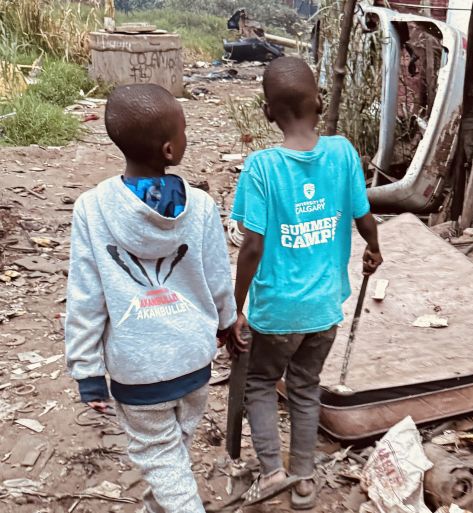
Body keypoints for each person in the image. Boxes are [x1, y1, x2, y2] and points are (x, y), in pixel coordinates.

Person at [65, 84, 236, 513]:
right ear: (168, 149)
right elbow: (218, 278)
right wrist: (227, 324)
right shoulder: (199, 206)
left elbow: (86, 296)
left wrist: (87, 369)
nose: (187, 137)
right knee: (170, 454)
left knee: (163, 457)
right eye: (184, 130)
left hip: (138, 371)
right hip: (195, 364)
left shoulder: (93, 208)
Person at [230, 56, 382, 509]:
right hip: (323, 309)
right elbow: (364, 216)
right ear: (319, 101)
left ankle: (272, 470)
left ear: (267, 112)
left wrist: (234, 308)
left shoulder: (261, 167)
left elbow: (252, 246)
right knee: (305, 386)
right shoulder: (342, 153)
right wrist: (374, 248)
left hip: (276, 311)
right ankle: (303, 480)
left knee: (260, 383)